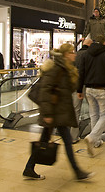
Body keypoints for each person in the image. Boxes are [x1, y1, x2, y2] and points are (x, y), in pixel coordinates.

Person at [23, 44, 94, 181]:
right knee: (67, 141)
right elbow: (45, 91)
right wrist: (48, 114)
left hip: (59, 112)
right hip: (54, 113)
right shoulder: (57, 69)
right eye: (72, 52)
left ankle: (29, 168)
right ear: (66, 54)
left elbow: (68, 89)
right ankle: (77, 172)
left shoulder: (66, 69)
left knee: (45, 141)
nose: (74, 54)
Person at [77, 35, 105, 156]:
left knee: (94, 114)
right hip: (102, 89)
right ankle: (92, 137)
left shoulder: (86, 54)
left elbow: (82, 72)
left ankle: (96, 142)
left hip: (89, 89)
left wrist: (79, 89)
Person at [71, 38, 93, 143]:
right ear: (90, 45)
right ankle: (94, 135)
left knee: (76, 110)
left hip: (75, 85)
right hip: (88, 85)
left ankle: (73, 137)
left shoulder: (75, 55)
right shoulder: (90, 55)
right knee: (94, 110)